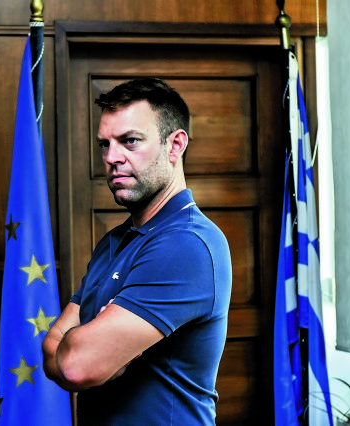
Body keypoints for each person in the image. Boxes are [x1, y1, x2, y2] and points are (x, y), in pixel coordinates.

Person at [42, 78, 232, 425]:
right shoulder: (113, 242)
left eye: (130, 141)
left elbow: (75, 365)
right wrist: (83, 347)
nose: (111, 157)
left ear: (175, 145)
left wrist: (82, 345)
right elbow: (53, 347)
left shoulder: (186, 244)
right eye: (105, 144)